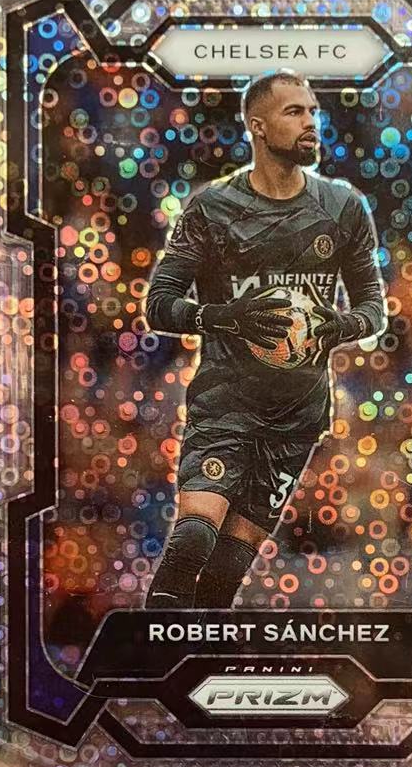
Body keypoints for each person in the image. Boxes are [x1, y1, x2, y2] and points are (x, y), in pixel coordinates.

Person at [142, 70, 388, 609]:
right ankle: (146, 648)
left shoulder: (343, 207)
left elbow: (374, 309)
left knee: (228, 570)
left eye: (312, 111)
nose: (310, 122)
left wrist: (340, 326)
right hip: (225, 402)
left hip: (298, 415)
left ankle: (196, 655)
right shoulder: (212, 208)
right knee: (194, 537)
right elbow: (158, 304)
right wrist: (226, 317)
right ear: (257, 126)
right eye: (294, 112)